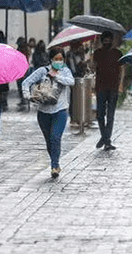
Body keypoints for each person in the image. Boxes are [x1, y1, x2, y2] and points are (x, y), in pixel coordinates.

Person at [22, 47, 75, 178]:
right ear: (51, 59)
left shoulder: (65, 71)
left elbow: (71, 82)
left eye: (61, 59)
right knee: (49, 140)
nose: (59, 61)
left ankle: (54, 165)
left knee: (55, 137)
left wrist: (56, 76)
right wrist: (28, 96)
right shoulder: (42, 71)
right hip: (43, 112)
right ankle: (55, 162)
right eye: (56, 59)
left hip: (60, 111)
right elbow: (26, 82)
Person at [92, 31, 125, 151]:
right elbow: (92, 67)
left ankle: (107, 140)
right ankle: (105, 137)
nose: (107, 42)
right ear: (102, 41)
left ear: (112, 40)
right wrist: (93, 48)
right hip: (100, 86)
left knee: (110, 116)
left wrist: (121, 84)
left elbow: (122, 69)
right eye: (104, 40)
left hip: (113, 87)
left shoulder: (118, 53)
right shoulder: (97, 53)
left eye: (108, 40)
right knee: (100, 115)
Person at [15, 37, 31, 110]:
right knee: (19, 85)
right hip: (18, 69)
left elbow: (26, 61)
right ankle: (22, 99)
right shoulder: (18, 50)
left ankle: (25, 99)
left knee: (23, 85)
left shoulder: (25, 50)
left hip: (24, 70)